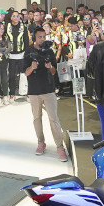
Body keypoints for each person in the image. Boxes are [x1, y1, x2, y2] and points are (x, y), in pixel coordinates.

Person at [23, 27, 68, 161]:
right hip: (34, 91)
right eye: (40, 37)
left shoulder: (49, 51)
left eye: (44, 36)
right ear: (34, 38)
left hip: (48, 89)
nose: (42, 39)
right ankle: (41, 143)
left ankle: (60, 147)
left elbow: (54, 72)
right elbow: (25, 72)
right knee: (37, 118)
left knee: (53, 119)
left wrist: (50, 67)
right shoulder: (28, 52)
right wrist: (32, 67)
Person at [5, 10, 28, 104]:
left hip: (21, 54)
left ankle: (26, 93)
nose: (15, 18)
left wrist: (26, 53)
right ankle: (12, 94)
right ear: (11, 18)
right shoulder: (7, 26)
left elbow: (26, 40)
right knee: (12, 76)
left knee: (24, 74)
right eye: (14, 16)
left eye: (17, 16)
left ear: (19, 18)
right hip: (11, 56)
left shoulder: (23, 27)